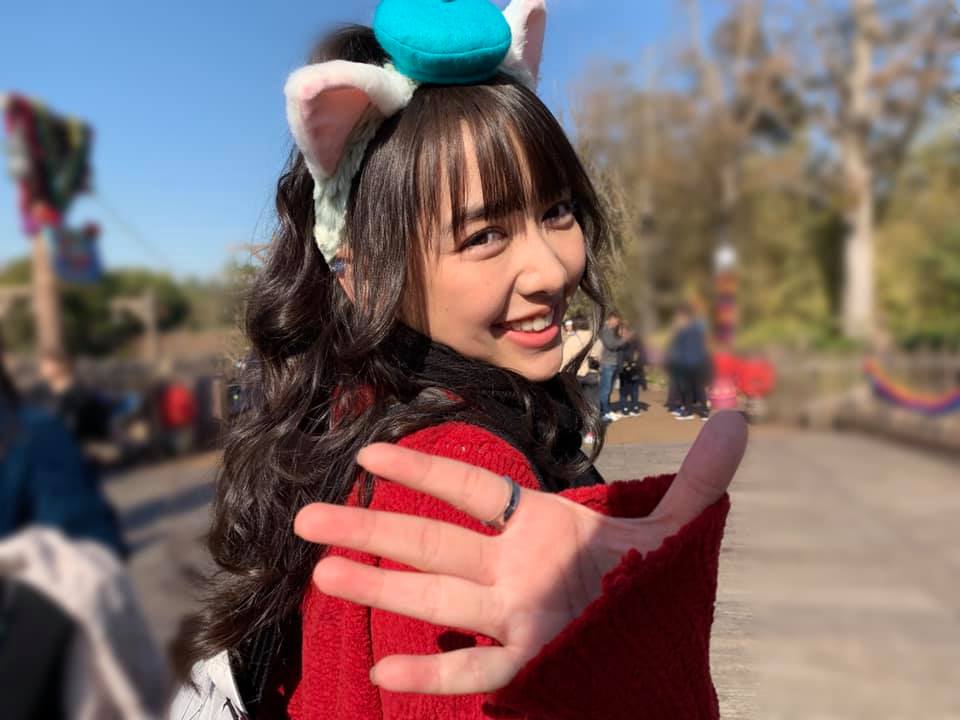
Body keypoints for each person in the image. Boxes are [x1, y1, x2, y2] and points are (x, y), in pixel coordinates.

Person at [171, 4, 745, 719]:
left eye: (557, 210)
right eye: (483, 236)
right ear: (361, 273)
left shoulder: (349, 407)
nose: (552, 268)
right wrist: (641, 661)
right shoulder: (462, 478)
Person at [1, 338, 127, 558]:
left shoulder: (81, 397)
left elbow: (99, 429)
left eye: (47, 362)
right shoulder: (37, 395)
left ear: (62, 364)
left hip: (69, 460)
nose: (42, 367)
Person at [667, 303, 710, 421]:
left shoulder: (689, 329)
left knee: (694, 388)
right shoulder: (693, 328)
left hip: (692, 363)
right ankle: (694, 411)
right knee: (692, 388)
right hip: (691, 362)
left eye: (680, 317)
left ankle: (698, 411)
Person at [598, 311, 631, 422]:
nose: (617, 323)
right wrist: (624, 339)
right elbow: (611, 345)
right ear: (611, 319)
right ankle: (604, 411)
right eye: (616, 321)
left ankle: (606, 409)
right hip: (607, 363)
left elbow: (618, 343)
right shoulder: (605, 330)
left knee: (609, 389)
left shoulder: (614, 330)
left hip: (614, 363)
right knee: (605, 389)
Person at [617, 327, 647, 415]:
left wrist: (636, 362)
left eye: (626, 332)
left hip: (633, 369)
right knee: (625, 390)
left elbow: (641, 355)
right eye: (622, 332)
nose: (624, 334)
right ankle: (626, 408)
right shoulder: (620, 343)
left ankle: (634, 407)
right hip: (625, 369)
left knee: (633, 389)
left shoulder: (636, 342)